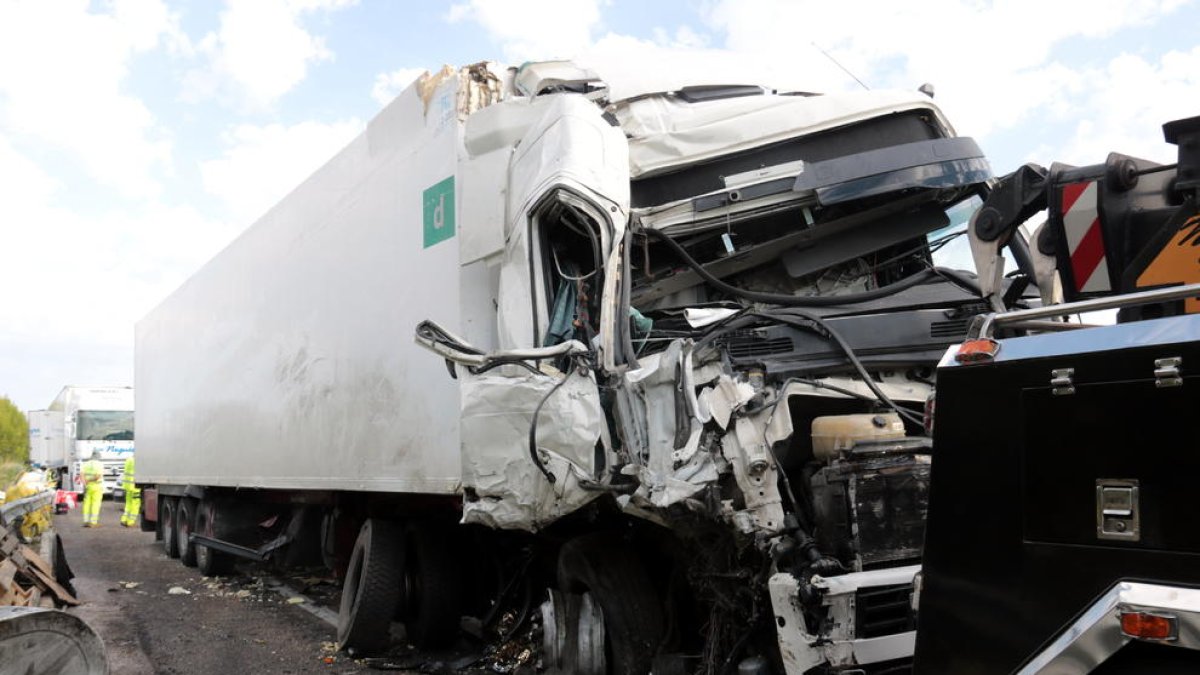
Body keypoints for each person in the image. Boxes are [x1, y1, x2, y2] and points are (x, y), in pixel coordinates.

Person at [80, 449, 105, 528]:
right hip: (97, 486)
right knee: (95, 504)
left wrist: (85, 483)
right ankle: (93, 522)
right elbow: (98, 476)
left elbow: (81, 475)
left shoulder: (85, 464)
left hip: (88, 487)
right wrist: (89, 480)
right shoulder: (100, 464)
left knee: (86, 504)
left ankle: (86, 521)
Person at [119, 455, 140, 528]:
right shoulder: (137, 461)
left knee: (128, 504)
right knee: (135, 504)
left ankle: (124, 519)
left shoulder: (129, 459)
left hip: (127, 486)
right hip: (135, 486)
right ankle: (131, 522)